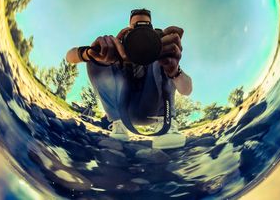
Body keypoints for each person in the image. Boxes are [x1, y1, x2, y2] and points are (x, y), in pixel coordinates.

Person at [66, 9, 192, 149]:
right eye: (135, 28)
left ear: (152, 30)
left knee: (162, 56)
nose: (140, 36)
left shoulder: (158, 47)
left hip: (154, 110)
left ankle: (166, 125)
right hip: (122, 110)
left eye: (145, 28)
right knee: (97, 57)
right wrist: (91, 52)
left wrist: (174, 70)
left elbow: (186, 90)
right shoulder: (117, 47)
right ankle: (118, 125)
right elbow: (69, 57)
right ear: (127, 30)